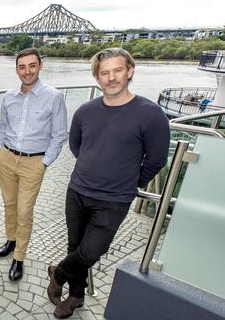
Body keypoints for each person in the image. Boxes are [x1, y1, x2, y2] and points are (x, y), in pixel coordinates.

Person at [47, 48, 170, 318]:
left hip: (114, 200)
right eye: (104, 73)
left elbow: (157, 159)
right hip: (77, 191)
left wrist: (129, 180)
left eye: (117, 70)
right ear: (97, 77)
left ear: (130, 71)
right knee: (75, 246)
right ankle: (76, 296)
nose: (111, 78)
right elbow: (77, 146)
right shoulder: (85, 111)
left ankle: (60, 273)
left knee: (92, 250)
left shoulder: (151, 114)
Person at [0, 48, 68, 281]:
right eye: (22, 67)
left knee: (25, 211)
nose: (27, 71)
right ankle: (11, 239)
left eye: (31, 66)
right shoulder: (8, 96)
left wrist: (44, 163)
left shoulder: (54, 97)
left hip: (33, 162)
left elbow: (59, 135)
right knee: (9, 204)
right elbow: (2, 127)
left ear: (40, 66)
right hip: (6, 157)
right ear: (17, 69)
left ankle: (19, 257)